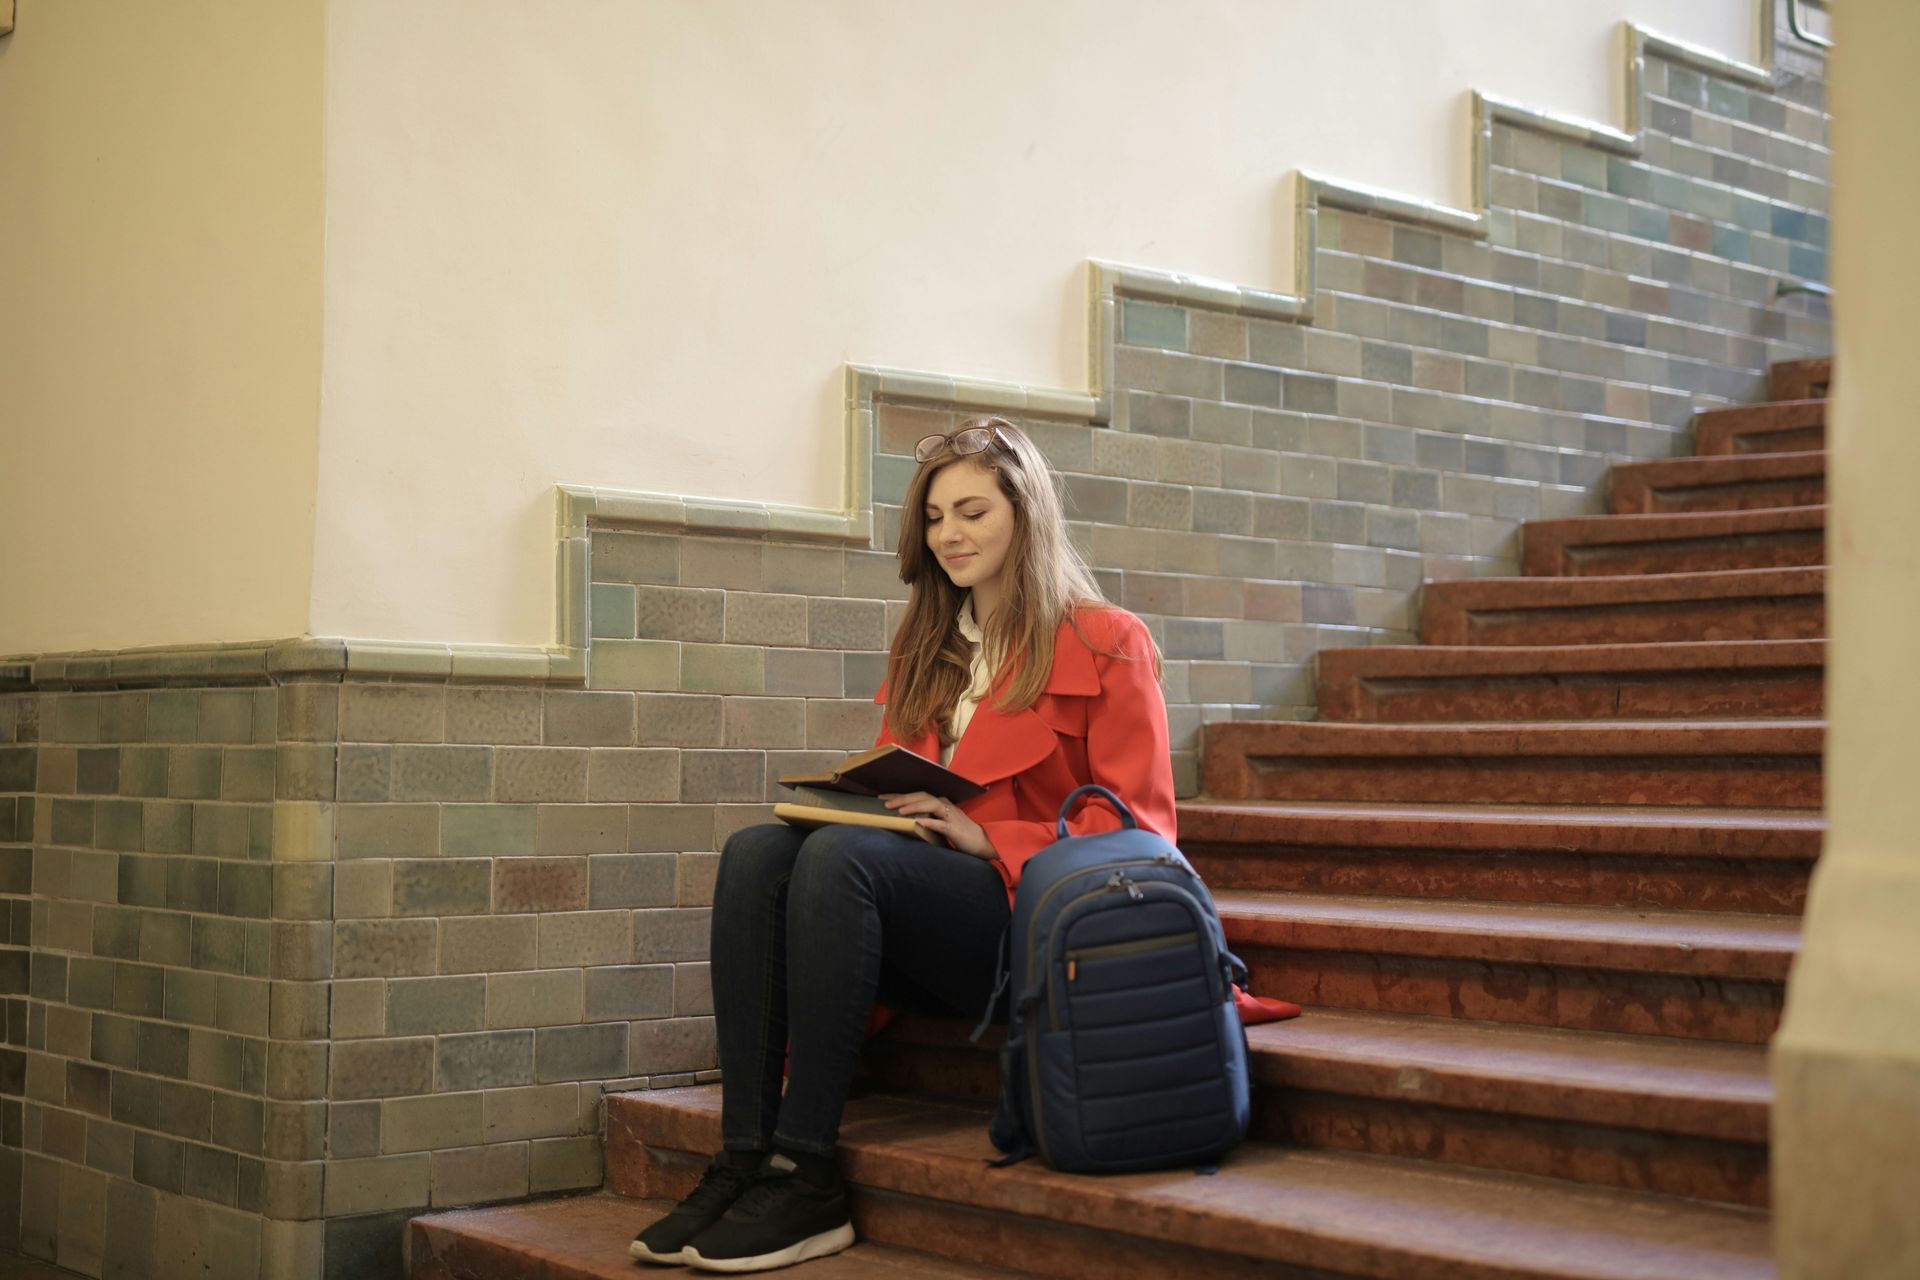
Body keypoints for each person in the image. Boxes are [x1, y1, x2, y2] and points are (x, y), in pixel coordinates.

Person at [631, 415, 1177, 1272]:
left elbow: (1141, 828)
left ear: (1024, 513)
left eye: (972, 512)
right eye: (933, 517)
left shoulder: (1108, 640)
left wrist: (987, 836)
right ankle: (743, 1156)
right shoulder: (928, 644)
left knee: (843, 858)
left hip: (1031, 922)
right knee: (758, 853)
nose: (948, 535)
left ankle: (807, 1172)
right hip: (920, 907)